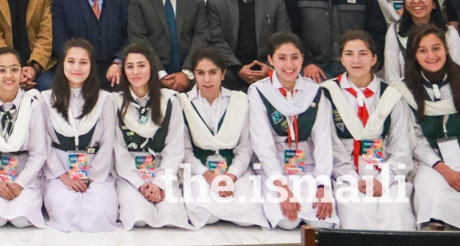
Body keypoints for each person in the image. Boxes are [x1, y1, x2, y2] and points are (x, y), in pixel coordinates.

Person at [321, 30, 415, 230]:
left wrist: (383, 180)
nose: (356, 60)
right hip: (346, 175)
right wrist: (354, 180)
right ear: (341, 59)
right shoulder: (327, 93)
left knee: (396, 212)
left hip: (386, 172)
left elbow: (401, 147)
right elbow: (329, 145)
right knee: (356, 212)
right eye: (349, 54)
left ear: (374, 59)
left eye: (363, 53)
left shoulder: (391, 95)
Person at [247, 32, 337, 229]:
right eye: (282, 58)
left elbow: (322, 141)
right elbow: (263, 145)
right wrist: (280, 186)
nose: (289, 65)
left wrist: (323, 185)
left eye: (295, 57)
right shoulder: (259, 91)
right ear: (270, 60)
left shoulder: (315, 91)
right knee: (288, 221)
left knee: (321, 221)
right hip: (274, 165)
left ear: (302, 59)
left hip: (308, 163)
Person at [177, 47, 269, 229]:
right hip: (200, 172)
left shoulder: (239, 100)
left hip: (233, 170)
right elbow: (185, 152)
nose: (207, 79)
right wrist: (210, 177)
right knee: (206, 214)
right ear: (194, 75)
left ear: (223, 74)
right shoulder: (183, 102)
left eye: (213, 72)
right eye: (200, 73)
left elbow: (245, 148)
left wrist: (230, 177)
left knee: (247, 209)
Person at [40, 39, 120, 232]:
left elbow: (108, 143)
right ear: (62, 64)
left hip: (95, 171)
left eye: (83, 62)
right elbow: (43, 144)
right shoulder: (45, 99)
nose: (77, 67)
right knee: (65, 210)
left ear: (91, 66)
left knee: (99, 212)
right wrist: (64, 176)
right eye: (71, 61)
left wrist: (90, 177)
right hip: (60, 171)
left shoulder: (105, 100)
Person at [112, 42, 192, 229]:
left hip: (162, 171)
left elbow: (174, 150)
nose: (136, 72)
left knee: (172, 217)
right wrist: (141, 184)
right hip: (130, 176)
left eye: (141, 65)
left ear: (151, 67)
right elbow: (119, 152)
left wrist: (159, 183)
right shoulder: (115, 102)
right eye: (130, 67)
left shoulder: (170, 101)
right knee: (139, 218)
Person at [0, 46, 48, 227]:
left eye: (14, 69)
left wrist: (20, 183)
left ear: (22, 72)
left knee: (21, 220)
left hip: (23, 171)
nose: (9, 76)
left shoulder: (32, 103)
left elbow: (38, 153)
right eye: (2, 70)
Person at [393, 25, 460, 231]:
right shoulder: (403, 89)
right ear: (414, 54)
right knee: (433, 196)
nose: (431, 55)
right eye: (423, 50)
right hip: (428, 163)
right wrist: (444, 169)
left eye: (436, 48)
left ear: (446, 48)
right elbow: (415, 138)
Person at [126, 0, 208, 93]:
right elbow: (138, 38)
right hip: (152, 76)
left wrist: (186, 73)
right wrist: (160, 74)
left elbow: (201, 35)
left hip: (191, 76)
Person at [205, 0, 291, 91]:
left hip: (267, 68)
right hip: (231, 70)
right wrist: (238, 69)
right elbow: (217, 41)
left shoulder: (275, 1)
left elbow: (283, 38)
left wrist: (269, 67)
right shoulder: (216, 3)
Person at [50, 0, 128, 89]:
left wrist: (118, 63)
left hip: (112, 71)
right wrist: (78, 66)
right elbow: (59, 40)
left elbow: (128, 37)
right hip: (75, 71)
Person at [383, 0, 460, 82]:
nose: (416, 1)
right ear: (405, 4)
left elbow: (456, 70)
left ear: (434, 4)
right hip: (406, 94)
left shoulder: (449, 32)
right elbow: (392, 75)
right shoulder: (394, 31)